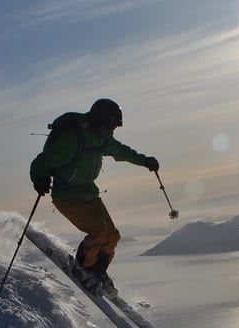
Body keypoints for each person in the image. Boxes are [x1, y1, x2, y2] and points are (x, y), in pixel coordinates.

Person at [30, 98, 159, 289]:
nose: (112, 131)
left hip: (89, 193)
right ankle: (83, 268)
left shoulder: (102, 140)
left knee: (112, 235)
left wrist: (145, 161)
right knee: (98, 230)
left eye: (114, 127)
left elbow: (122, 152)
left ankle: (98, 272)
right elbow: (43, 161)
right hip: (67, 197)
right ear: (99, 122)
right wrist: (40, 179)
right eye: (110, 126)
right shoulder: (73, 140)